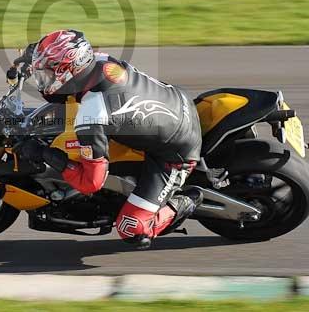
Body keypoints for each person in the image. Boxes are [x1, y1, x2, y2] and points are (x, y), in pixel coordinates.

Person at [14, 29, 204, 249]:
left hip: (175, 152)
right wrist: (32, 55)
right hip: (176, 100)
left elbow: (91, 183)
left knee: (131, 228)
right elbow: (62, 55)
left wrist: (44, 153)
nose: (42, 81)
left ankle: (189, 199)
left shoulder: (93, 114)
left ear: (68, 70)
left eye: (47, 74)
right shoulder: (98, 60)